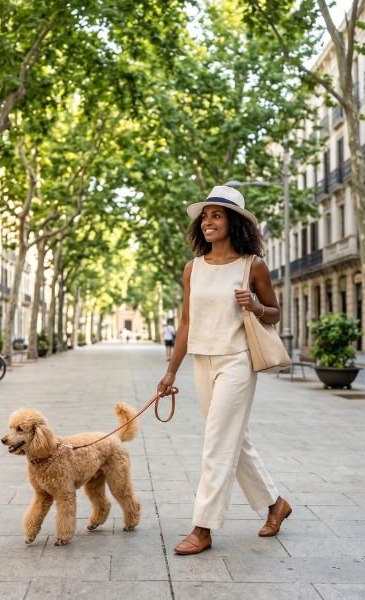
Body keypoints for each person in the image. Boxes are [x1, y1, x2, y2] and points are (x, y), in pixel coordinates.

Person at [158, 185, 291, 556]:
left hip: (237, 360)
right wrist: (170, 373)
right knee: (233, 440)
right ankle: (275, 504)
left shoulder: (253, 265)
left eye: (216, 215)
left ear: (234, 222)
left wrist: (255, 306)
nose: (207, 222)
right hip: (203, 359)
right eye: (205, 216)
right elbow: (186, 322)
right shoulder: (193, 268)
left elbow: (275, 312)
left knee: (216, 443)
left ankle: (203, 527)